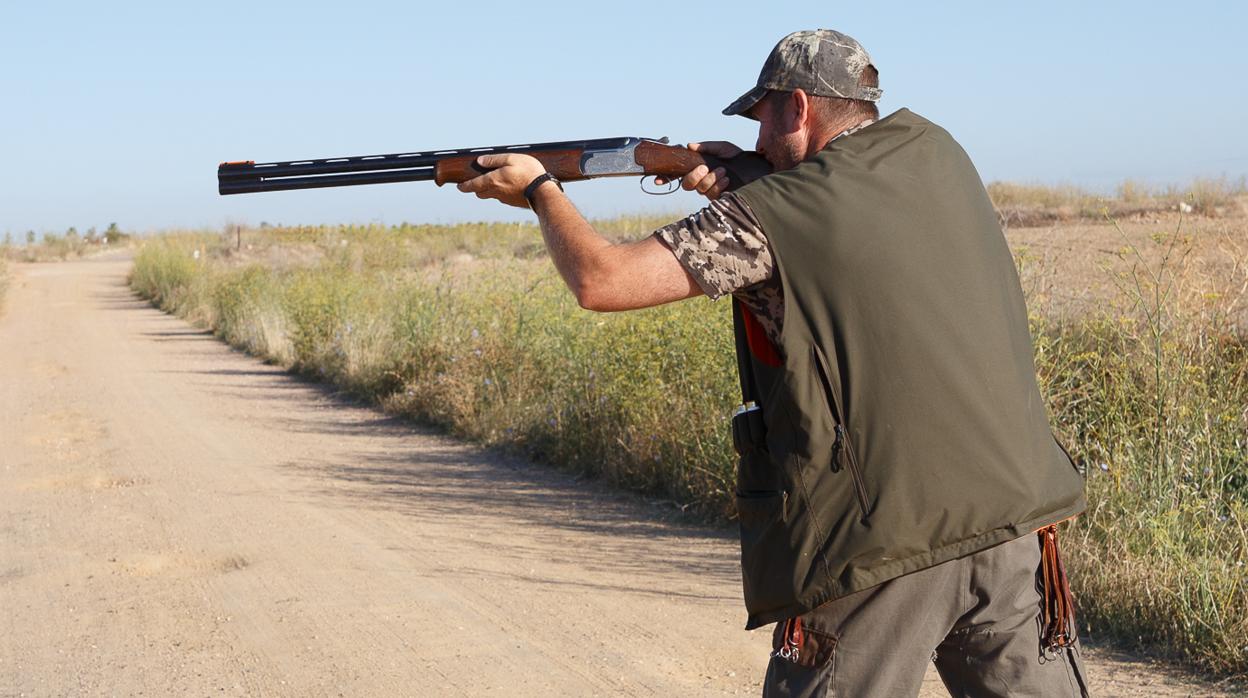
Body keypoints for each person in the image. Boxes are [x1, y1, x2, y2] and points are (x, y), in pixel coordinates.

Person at [456, 29, 1089, 698]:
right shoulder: (937, 153)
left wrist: (540, 188)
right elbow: (845, 217)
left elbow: (602, 281)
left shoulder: (771, 211)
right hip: (1011, 519)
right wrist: (749, 178)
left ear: (796, 107)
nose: (756, 139)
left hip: (877, 549)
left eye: (760, 119)